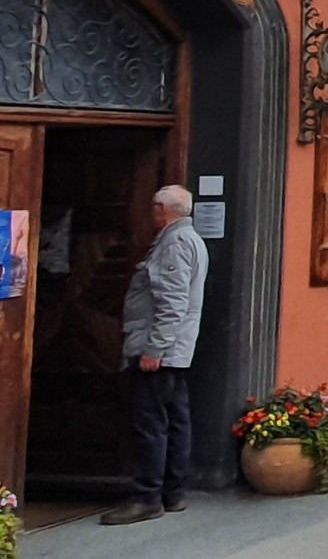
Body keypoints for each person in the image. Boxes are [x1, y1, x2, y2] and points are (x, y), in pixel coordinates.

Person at [102, 185, 209, 526]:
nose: (151, 213)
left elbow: (172, 303)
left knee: (151, 424)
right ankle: (172, 493)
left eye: (153, 207)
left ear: (163, 210)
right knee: (175, 420)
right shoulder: (188, 239)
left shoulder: (175, 243)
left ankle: (147, 496)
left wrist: (154, 349)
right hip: (174, 351)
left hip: (160, 351)